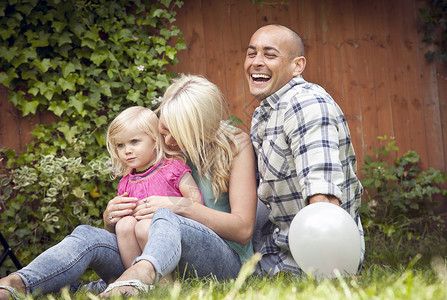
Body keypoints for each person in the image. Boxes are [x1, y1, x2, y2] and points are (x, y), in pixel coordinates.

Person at [0, 74, 257, 299]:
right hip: (150, 250)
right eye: (163, 130)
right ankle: (18, 282)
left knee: (165, 216)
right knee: (88, 236)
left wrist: (176, 207)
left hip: (222, 261)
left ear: (200, 127)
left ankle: (141, 274)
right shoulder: (159, 147)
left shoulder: (236, 146)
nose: (166, 140)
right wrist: (112, 217)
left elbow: (243, 229)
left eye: (176, 133)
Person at [245, 24, 365, 275]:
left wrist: (327, 271)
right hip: (276, 246)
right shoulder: (265, 112)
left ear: (297, 66)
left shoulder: (305, 103)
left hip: (310, 257)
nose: (256, 62)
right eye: (251, 53)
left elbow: (324, 197)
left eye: (269, 54)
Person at [105, 106, 202, 270]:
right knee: (124, 225)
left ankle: (165, 283)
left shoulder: (172, 168)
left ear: (155, 140)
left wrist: (170, 204)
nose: (127, 151)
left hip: (176, 239)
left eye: (134, 142)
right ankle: (134, 278)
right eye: (120, 145)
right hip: (139, 242)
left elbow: (196, 200)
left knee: (144, 227)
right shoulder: (126, 183)